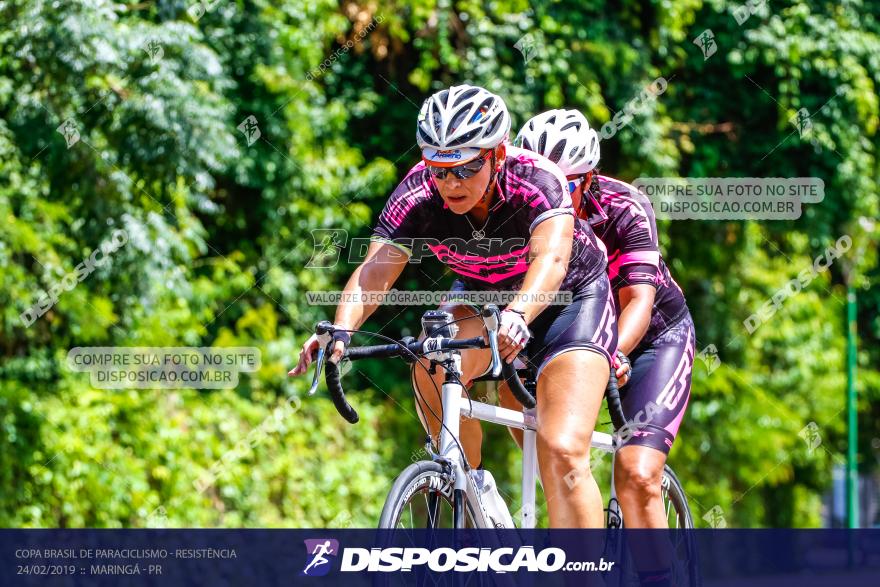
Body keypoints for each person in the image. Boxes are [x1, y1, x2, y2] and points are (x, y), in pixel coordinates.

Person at [292, 85, 617, 528]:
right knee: (430, 357)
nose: (451, 183)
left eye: (465, 167)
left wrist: (520, 315)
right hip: (484, 299)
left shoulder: (536, 179)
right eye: (439, 169)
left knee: (560, 448)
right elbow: (374, 272)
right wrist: (342, 329)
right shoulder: (419, 195)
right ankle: (472, 485)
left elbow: (552, 260)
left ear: (498, 154)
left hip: (569, 299)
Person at [516, 109, 695, 531]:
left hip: (652, 337)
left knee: (636, 475)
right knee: (555, 455)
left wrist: (611, 353)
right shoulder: (518, 208)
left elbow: (638, 301)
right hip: (569, 330)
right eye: (544, 180)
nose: (552, 193)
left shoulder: (626, 207)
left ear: (591, 178)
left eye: (568, 184)